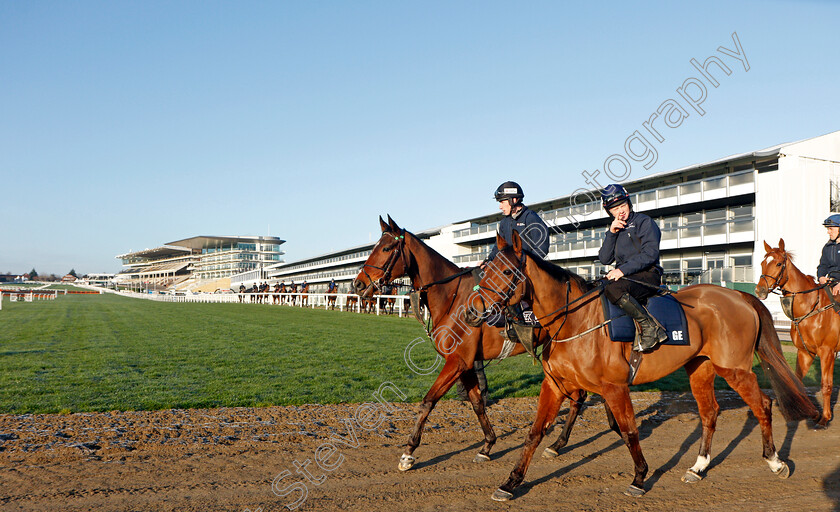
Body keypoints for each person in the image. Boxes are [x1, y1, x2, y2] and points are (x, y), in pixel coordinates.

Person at [598, 184, 667, 352]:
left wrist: (621, 271)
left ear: (629, 203)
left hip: (648, 275)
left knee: (614, 289)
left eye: (622, 205)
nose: (620, 211)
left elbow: (650, 254)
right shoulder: (616, 228)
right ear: (609, 212)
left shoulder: (644, 222)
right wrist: (611, 233)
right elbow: (604, 258)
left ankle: (651, 328)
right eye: (615, 209)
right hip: (626, 277)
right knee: (596, 288)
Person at [487, 181, 550, 261]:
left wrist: (526, 263)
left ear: (514, 200)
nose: (500, 207)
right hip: (511, 267)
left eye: (502, 202)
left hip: (527, 268)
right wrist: (487, 261)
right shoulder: (504, 222)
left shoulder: (530, 217)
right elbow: (497, 248)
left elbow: (542, 246)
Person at [817, 214, 840, 295]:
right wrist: (821, 277)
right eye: (828, 229)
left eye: (831, 229)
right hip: (831, 282)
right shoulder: (828, 247)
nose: (828, 232)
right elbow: (823, 265)